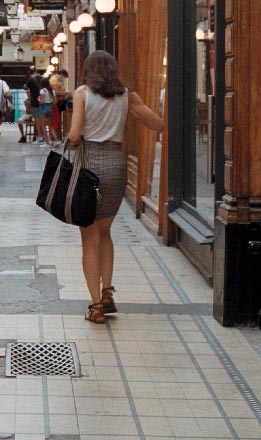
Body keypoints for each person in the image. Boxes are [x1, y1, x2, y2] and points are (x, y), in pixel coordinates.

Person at [67, 50, 163, 324]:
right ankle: (108, 292)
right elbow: (157, 124)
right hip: (116, 165)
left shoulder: (83, 93)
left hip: (90, 168)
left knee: (89, 238)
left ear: (88, 70)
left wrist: (73, 139)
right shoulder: (126, 95)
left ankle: (96, 306)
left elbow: (75, 136)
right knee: (106, 232)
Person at [20, 71, 44, 143]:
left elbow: (25, 87)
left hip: (34, 103)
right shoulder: (42, 78)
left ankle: (39, 137)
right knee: (41, 120)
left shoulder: (30, 80)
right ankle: (42, 137)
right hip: (42, 102)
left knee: (37, 120)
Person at [36, 72, 55, 144]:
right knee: (50, 126)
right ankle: (53, 140)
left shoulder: (42, 90)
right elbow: (55, 101)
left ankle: (47, 142)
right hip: (49, 107)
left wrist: (38, 99)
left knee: (43, 126)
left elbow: (42, 101)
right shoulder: (52, 91)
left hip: (43, 107)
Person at [50, 69, 69, 140]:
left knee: (56, 121)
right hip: (56, 103)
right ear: (61, 75)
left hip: (59, 102)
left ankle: (57, 137)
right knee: (55, 120)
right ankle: (54, 138)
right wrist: (65, 93)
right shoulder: (54, 80)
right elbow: (55, 92)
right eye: (64, 77)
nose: (64, 79)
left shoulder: (58, 81)